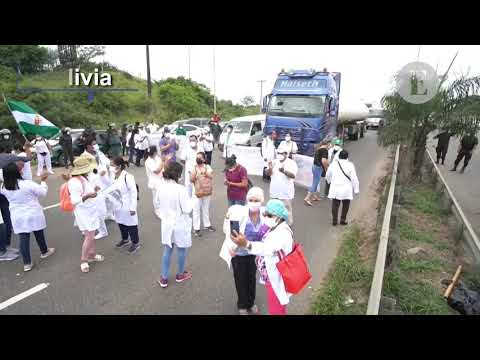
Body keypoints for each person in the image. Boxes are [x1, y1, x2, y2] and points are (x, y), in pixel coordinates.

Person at [230, 199, 294, 315]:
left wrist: (246, 244)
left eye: (269, 215)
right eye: (265, 213)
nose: (265, 217)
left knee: (276, 307)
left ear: (279, 217)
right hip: (271, 275)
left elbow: (266, 248)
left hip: (277, 277)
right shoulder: (274, 226)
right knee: (276, 303)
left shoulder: (282, 234)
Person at [221, 187, 268, 315]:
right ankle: (242, 305)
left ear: (261, 201)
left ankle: (251, 303)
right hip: (239, 253)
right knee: (240, 279)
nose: (253, 202)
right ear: (247, 200)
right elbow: (228, 230)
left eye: (256, 200)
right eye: (251, 199)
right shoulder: (238, 212)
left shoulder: (265, 214)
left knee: (251, 278)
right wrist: (230, 246)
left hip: (254, 253)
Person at [0, 163, 55, 271]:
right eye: (19, 169)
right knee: (38, 232)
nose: (21, 170)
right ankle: (44, 251)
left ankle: (27, 263)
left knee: (23, 238)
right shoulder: (27, 184)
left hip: (17, 215)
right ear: (16, 172)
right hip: (32, 212)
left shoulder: (3, 187)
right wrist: (43, 181)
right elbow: (42, 192)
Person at [154, 161, 193, 288]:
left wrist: (164, 216)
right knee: (181, 249)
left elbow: (157, 205)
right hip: (180, 223)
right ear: (177, 174)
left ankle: (164, 278)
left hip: (166, 223)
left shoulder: (160, 187)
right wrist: (193, 200)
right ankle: (180, 274)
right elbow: (187, 209)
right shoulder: (181, 190)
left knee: (167, 250)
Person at [68, 156, 104, 273]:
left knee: (91, 234)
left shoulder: (82, 178)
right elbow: (74, 200)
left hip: (89, 210)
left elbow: (85, 191)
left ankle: (92, 255)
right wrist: (89, 195)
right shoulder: (74, 182)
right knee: (89, 236)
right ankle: (84, 260)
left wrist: (94, 190)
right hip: (84, 212)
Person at [0, 143, 33, 261]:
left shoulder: (7, 157)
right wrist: (27, 148)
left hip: (4, 191)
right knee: (3, 223)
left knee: (7, 221)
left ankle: (5, 247)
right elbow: (29, 158)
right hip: (5, 190)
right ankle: (2, 251)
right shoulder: (8, 157)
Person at [111, 157, 141, 254]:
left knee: (131, 224)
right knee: (121, 223)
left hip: (127, 205)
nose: (110, 167)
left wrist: (133, 207)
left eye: (112, 165)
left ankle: (135, 243)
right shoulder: (113, 176)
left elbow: (133, 192)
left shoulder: (128, 177)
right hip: (117, 206)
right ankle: (125, 239)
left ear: (119, 166)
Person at [326, 150, 360, 226]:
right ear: (347, 157)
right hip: (346, 189)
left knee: (335, 204)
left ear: (339, 156)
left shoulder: (333, 164)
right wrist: (356, 189)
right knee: (346, 205)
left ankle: (334, 221)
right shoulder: (350, 165)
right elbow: (354, 178)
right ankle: (342, 220)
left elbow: (328, 174)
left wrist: (329, 181)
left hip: (335, 188)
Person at [266, 145, 298, 226]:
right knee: (273, 210)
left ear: (286, 154)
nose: (279, 154)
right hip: (274, 192)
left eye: (281, 153)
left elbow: (293, 175)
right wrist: (270, 168)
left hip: (285, 194)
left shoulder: (291, 163)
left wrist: (284, 171)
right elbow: (267, 174)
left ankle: (288, 226)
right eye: (278, 153)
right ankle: (275, 225)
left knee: (286, 211)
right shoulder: (273, 162)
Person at [190, 151, 215, 237]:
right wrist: (197, 175)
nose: (198, 159)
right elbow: (191, 179)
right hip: (197, 192)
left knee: (206, 208)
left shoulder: (207, 167)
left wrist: (202, 172)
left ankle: (207, 225)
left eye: (200, 157)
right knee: (196, 209)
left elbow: (211, 176)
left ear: (204, 159)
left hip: (207, 191)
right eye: (197, 157)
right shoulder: (193, 168)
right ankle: (196, 228)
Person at [305, 140, 330, 206]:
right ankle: (307, 198)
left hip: (314, 166)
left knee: (316, 181)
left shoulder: (319, 148)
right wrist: (326, 168)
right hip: (318, 167)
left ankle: (314, 196)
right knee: (315, 183)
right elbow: (324, 160)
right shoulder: (324, 150)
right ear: (328, 144)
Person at [145, 145, 165, 218]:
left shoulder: (157, 158)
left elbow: (162, 168)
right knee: (156, 197)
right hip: (154, 181)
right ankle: (157, 211)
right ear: (154, 152)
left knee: (162, 196)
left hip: (161, 179)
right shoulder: (148, 161)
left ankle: (162, 209)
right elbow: (156, 171)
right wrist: (163, 161)